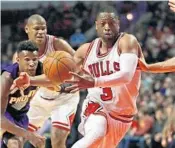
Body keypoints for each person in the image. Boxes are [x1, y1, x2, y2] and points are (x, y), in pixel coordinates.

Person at [62, 7, 143, 148]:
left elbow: (126, 75)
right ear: (96, 25)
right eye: (103, 23)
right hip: (96, 105)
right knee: (97, 131)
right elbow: (63, 74)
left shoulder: (128, 42)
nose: (107, 27)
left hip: (123, 114)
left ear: (118, 23)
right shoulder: (85, 51)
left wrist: (94, 81)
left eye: (111, 23)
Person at [13, 14, 80, 148]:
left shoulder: (57, 43)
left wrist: (71, 73)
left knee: (57, 138)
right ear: (27, 29)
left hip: (65, 98)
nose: (41, 32)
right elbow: (26, 84)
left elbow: (77, 62)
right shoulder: (20, 56)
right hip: (39, 99)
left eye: (43, 28)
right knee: (16, 140)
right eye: (37, 29)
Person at [0, 40, 45, 148]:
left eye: (35, 59)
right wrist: (29, 135)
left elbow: (56, 81)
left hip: (21, 115)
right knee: (11, 139)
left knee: (17, 144)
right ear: (18, 60)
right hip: (4, 113)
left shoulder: (41, 70)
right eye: (27, 60)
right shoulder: (7, 78)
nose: (32, 63)